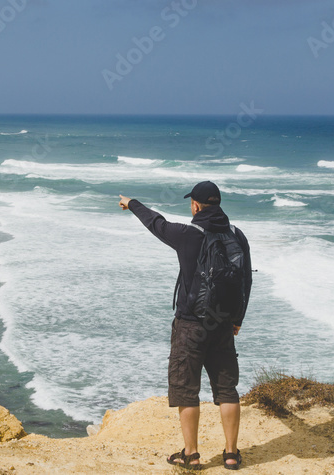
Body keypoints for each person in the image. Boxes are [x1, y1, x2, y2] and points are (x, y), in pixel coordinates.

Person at [119, 181, 252, 471]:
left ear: (195, 205)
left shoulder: (188, 234)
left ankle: (191, 454)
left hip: (190, 325)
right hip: (222, 324)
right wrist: (237, 319)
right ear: (217, 204)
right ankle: (231, 454)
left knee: (186, 388)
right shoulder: (236, 235)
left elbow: (156, 223)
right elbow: (246, 281)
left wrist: (132, 204)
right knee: (227, 389)